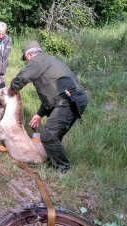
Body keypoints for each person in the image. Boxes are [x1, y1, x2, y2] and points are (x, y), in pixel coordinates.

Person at [8, 41, 88, 172]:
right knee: (55, 135)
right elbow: (52, 95)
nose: (27, 62)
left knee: (48, 137)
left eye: (26, 59)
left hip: (68, 100)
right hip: (75, 99)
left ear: (29, 54)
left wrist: (12, 89)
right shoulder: (49, 61)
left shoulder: (37, 60)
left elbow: (24, 76)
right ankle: (53, 163)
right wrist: (40, 114)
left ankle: (63, 169)